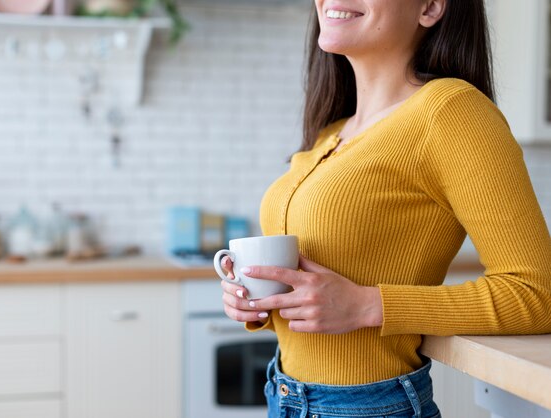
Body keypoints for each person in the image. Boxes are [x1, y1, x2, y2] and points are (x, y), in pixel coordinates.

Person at [219, 0, 551, 417]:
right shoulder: (331, 133)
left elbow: (538, 293)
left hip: (368, 407)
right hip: (285, 396)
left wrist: (368, 305)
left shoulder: (451, 112)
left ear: (430, 7)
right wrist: (259, 302)